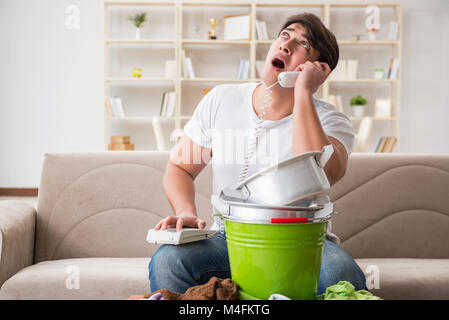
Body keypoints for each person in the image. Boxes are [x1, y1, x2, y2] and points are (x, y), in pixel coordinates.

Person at [149, 13, 368, 295]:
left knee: (341, 275)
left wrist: (303, 92)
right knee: (168, 259)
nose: (286, 46)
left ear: (319, 70)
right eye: (285, 35)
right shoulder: (220, 100)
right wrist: (186, 213)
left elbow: (320, 174)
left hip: (301, 242)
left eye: (303, 44)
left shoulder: (332, 122)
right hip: (228, 238)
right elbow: (179, 169)